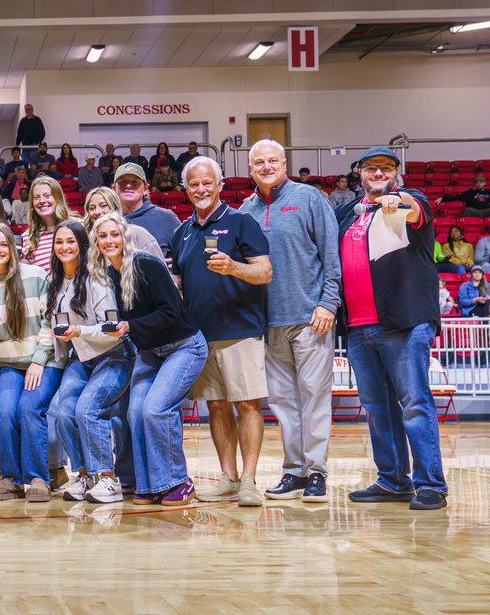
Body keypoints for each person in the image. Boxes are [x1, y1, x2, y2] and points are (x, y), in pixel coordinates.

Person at [335, 146, 447, 510]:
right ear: (360, 174)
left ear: (397, 173)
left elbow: (413, 210)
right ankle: (393, 480)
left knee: (415, 403)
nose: (378, 174)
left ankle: (430, 484)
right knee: (377, 408)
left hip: (405, 322)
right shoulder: (346, 215)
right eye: (371, 168)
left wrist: (398, 199)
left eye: (386, 168)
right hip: (358, 326)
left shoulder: (409, 200)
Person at [239, 140, 341, 503]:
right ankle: (294, 471)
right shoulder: (244, 210)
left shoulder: (310, 198)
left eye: (272, 161)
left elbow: (332, 254)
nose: (265, 167)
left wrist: (328, 302)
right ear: (250, 168)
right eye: (258, 162)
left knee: (314, 398)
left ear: (285, 163)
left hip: (310, 317)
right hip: (267, 323)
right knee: (283, 403)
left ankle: (316, 472)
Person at [88, 212, 207, 506]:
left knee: (155, 410)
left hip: (184, 347)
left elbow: (171, 312)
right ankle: (153, 483)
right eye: (103, 236)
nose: (109, 241)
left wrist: (130, 326)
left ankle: (180, 481)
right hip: (150, 351)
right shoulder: (109, 273)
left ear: (125, 236)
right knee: (135, 412)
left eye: (114, 234)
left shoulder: (146, 264)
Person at [172, 156, 272, 508]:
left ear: (220, 185)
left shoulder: (241, 223)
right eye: (194, 184)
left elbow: (265, 272)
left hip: (240, 329)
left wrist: (233, 267)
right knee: (216, 406)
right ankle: (228, 478)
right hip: (200, 336)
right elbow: (180, 283)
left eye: (207, 183)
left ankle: (248, 480)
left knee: (247, 404)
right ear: (186, 189)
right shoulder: (181, 232)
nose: (201, 189)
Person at [0, 223, 61, 502]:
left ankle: (38, 478)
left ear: (12, 248)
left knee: (29, 408)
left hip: (44, 360)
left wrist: (38, 359)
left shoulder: (35, 276)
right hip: (10, 362)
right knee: (5, 411)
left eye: (3, 244)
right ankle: (12, 479)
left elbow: (51, 320)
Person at [48, 220, 132, 504]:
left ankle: (108, 479)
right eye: (59, 242)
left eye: (70, 241)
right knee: (62, 411)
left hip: (113, 355)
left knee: (87, 408)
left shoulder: (97, 280)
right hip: (81, 358)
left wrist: (79, 331)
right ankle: (85, 475)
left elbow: (111, 330)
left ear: (82, 245)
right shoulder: (55, 281)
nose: (64, 247)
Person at [114, 162, 180, 257]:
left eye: (135, 182)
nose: (128, 186)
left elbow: (184, 256)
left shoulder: (166, 217)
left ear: (145, 188)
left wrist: (175, 264)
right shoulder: (108, 221)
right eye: (123, 182)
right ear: (113, 188)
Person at [22, 176, 72, 274]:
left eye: (47, 195)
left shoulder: (77, 226)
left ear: (58, 198)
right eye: (36, 197)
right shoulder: (25, 238)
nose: (42, 201)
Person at [15, 103, 46, 168]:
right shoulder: (22, 121)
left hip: (34, 147)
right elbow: (19, 134)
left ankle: (33, 177)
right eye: (26, 109)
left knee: (33, 165)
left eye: (29, 109)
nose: (28, 111)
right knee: (24, 165)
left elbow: (42, 133)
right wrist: (16, 146)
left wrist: (37, 142)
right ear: (25, 110)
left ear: (32, 110)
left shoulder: (37, 120)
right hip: (25, 147)